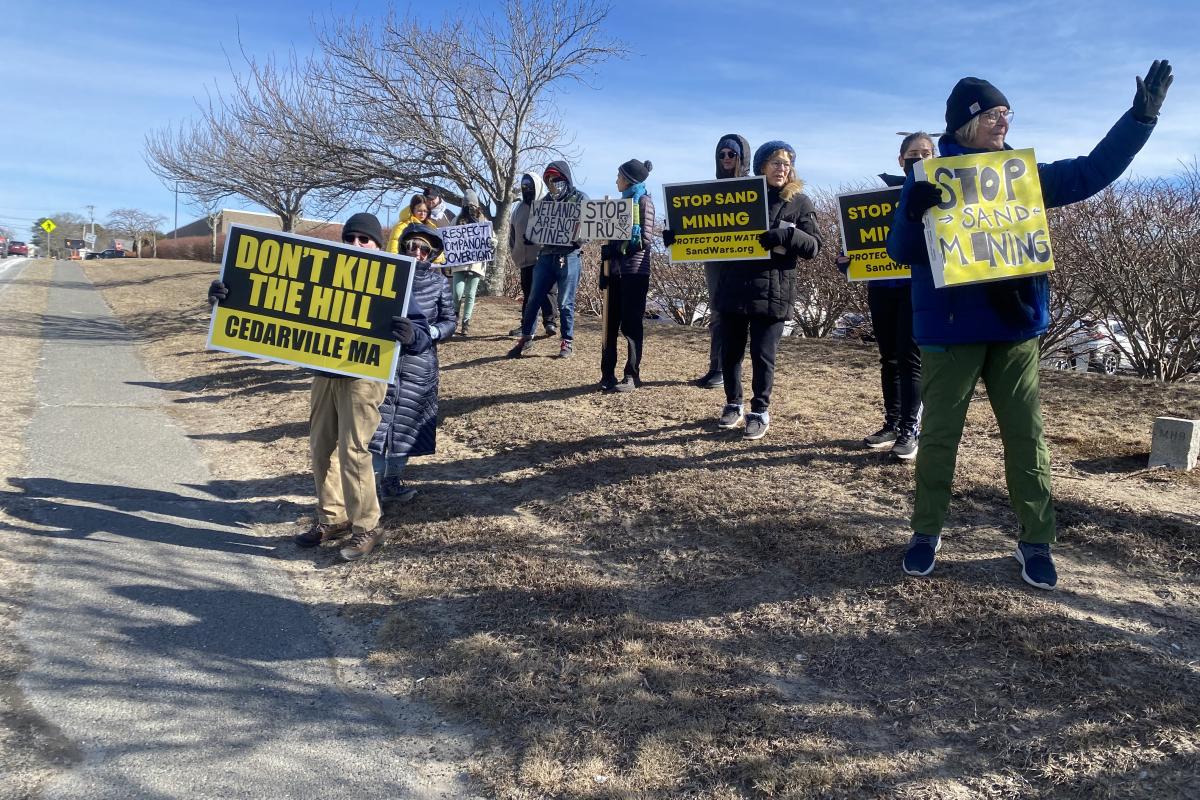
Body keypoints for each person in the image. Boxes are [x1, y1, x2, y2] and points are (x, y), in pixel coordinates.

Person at [887, 61, 1173, 590]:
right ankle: (926, 532)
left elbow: (1090, 172)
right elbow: (901, 253)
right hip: (949, 330)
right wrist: (912, 214)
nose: (1003, 122)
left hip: (1014, 326)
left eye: (1007, 113)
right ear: (965, 122)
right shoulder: (927, 176)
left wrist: (1139, 120)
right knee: (940, 437)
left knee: (1026, 437)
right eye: (992, 114)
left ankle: (1036, 540)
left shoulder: (1020, 177)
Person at [206, 212, 431, 562]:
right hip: (324, 374)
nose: (356, 244)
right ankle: (333, 518)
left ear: (378, 245)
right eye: (350, 238)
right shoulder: (323, 271)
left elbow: (422, 333)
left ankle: (368, 526)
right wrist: (227, 298)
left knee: (354, 450)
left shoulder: (393, 277)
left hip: (364, 376)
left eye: (364, 239)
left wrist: (412, 334)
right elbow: (271, 298)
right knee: (321, 447)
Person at [712, 141, 821, 440]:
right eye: (775, 162)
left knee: (763, 355)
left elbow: (814, 247)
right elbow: (708, 229)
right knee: (730, 352)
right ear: (762, 166)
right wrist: (678, 238)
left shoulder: (800, 202)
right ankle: (733, 403)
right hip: (734, 286)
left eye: (786, 164)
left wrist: (787, 235)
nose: (781, 168)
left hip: (773, 291)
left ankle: (759, 411)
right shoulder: (740, 196)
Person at [839, 133, 936, 461]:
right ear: (900, 159)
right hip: (881, 287)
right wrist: (848, 263)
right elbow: (860, 243)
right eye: (913, 153)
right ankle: (892, 423)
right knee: (889, 358)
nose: (918, 158)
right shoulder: (879, 197)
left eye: (926, 153)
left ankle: (910, 428)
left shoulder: (940, 193)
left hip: (917, 287)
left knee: (910, 358)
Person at [370, 224, 457, 504]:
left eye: (424, 249)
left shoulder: (440, 283)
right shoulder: (386, 274)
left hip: (419, 364)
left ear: (431, 254)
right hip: (383, 359)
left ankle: (392, 481)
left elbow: (449, 321)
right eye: (411, 246)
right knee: (376, 424)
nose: (417, 252)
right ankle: (370, 485)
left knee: (406, 424)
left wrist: (430, 332)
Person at [507, 160, 589, 359]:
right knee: (533, 298)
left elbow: (589, 230)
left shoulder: (580, 199)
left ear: (565, 178)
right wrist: (531, 236)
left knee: (565, 303)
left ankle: (567, 341)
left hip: (569, 256)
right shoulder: (544, 202)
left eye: (556, 179)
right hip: (545, 256)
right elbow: (536, 228)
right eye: (548, 180)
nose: (552, 183)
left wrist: (578, 239)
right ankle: (526, 338)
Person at [599, 158, 655, 392]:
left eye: (619, 177)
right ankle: (607, 373)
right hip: (614, 272)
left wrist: (618, 250)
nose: (616, 181)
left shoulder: (643, 202)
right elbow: (610, 240)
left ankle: (632, 374)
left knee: (631, 324)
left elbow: (645, 239)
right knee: (610, 323)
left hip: (635, 272)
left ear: (629, 180)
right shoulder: (618, 205)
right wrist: (604, 266)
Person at [508, 172, 559, 339]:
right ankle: (526, 325)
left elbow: (555, 230)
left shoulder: (548, 204)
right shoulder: (518, 208)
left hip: (544, 257)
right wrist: (514, 251)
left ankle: (550, 322)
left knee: (548, 291)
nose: (527, 190)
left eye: (529, 187)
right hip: (524, 259)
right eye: (524, 188)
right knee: (528, 294)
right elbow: (512, 233)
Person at [450, 190, 494, 336]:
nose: (470, 208)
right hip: (460, 263)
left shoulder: (483, 221)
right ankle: (454, 318)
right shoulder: (456, 220)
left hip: (476, 264)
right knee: (457, 292)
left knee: (470, 294)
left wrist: (491, 242)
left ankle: (466, 323)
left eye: (473, 205)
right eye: (467, 205)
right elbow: (449, 238)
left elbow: (493, 237)